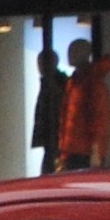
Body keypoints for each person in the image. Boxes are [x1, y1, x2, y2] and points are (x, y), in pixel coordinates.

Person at [58, 43, 110, 171]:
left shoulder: (91, 82)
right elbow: (66, 118)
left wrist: (96, 150)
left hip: (84, 151)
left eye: (74, 51)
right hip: (73, 149)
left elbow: (98, 117)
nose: (69, 54)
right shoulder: (74, 81)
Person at [29, 45, 66, 174]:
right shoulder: (52, 83)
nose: (39, 67)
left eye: (41, 63)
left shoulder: (56, 85)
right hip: (54, 140)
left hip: (57, 140)